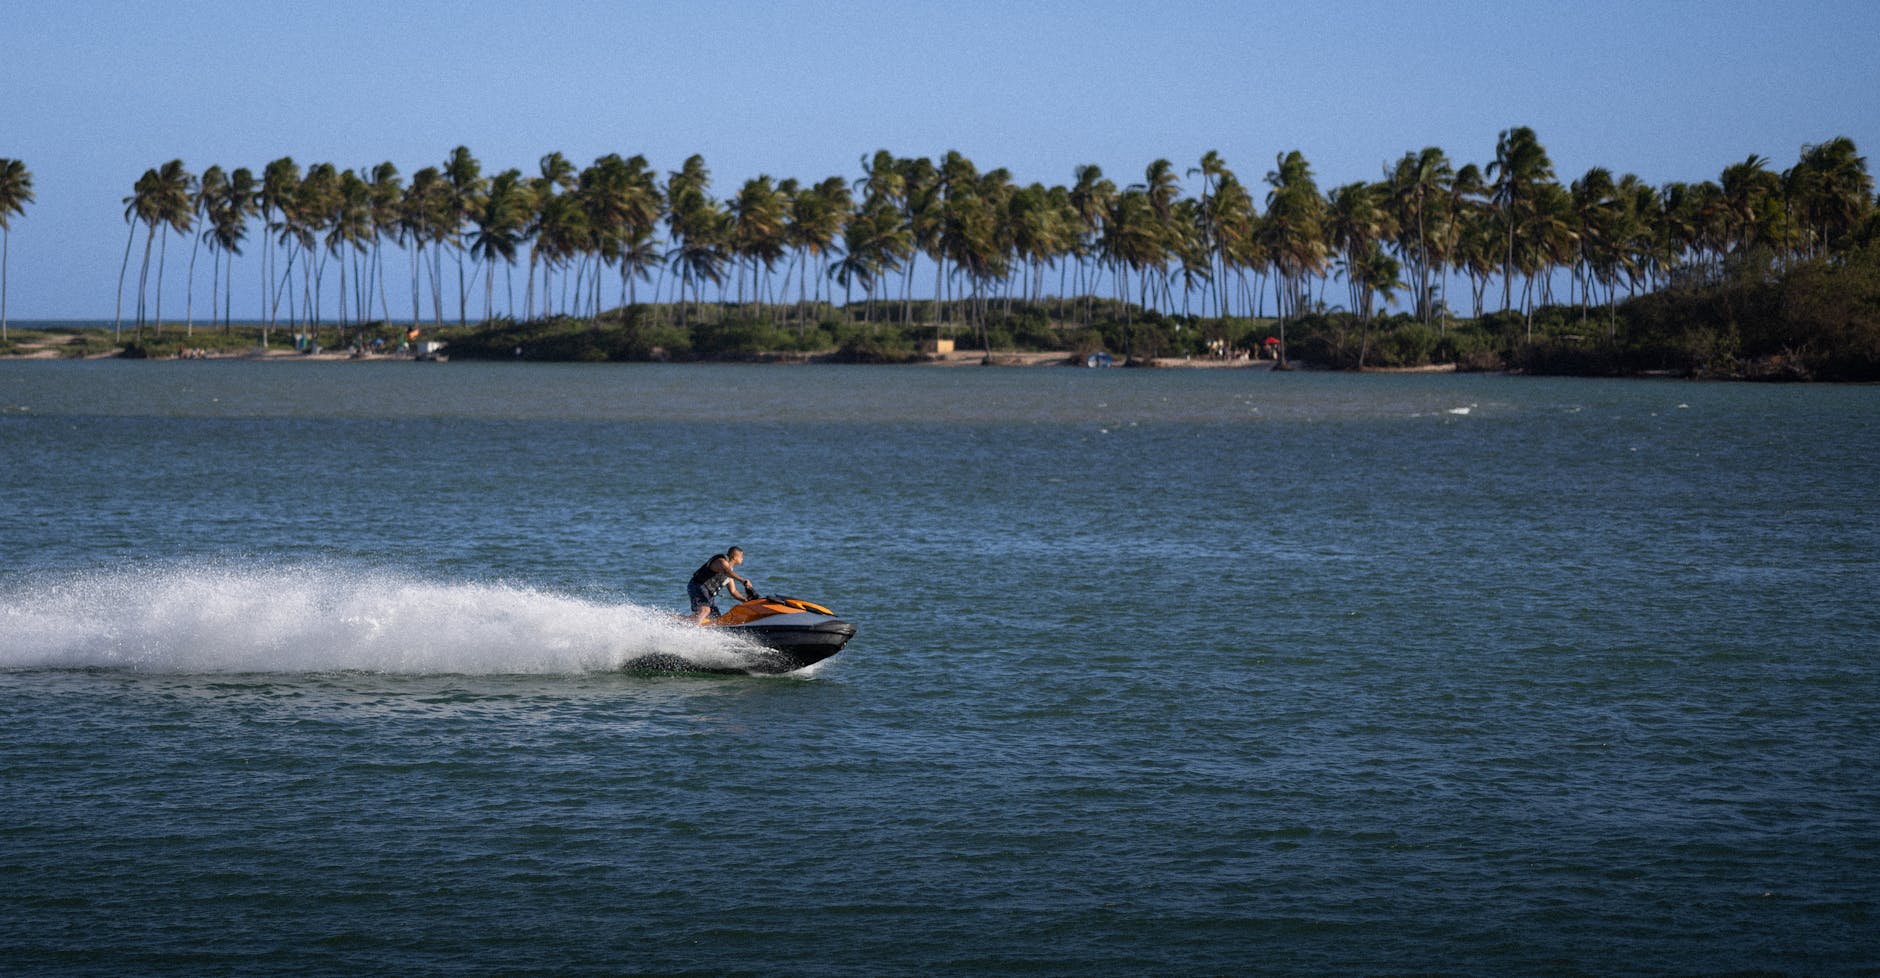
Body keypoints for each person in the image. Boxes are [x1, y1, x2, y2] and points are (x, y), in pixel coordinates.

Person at [687, 547, 752, 625]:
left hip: (708, 593)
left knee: (716, 618)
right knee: (705, 610)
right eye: (741, 557)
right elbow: (727, 571)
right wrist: (742, 580)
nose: (742, 559)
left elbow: (733, 591)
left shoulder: (730, 572)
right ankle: (694, 631)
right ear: (735, 557)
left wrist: (745, 600)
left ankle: (677, 621)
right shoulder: (721, 561)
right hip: (698, 585)